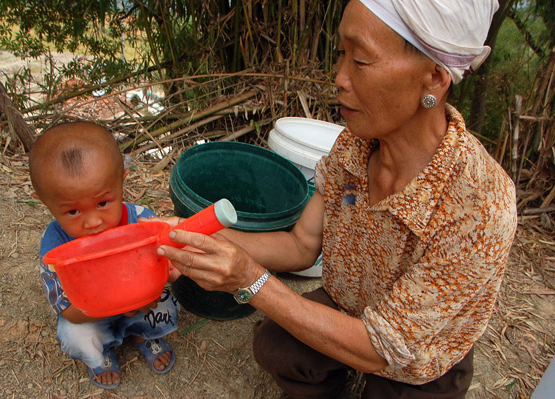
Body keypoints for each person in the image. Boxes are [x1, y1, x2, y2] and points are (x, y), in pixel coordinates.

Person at [152, 0, 518, 398]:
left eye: (361, 60)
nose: (340, 78)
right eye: (341, 54)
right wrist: (189, 237)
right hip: (351, 305)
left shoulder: (480, 204)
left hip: (411, 353)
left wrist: (249, 280)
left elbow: (383, 349)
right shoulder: (355, 146)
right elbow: (301, 244)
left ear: (434, 77)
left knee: (395, 376)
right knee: (276, 347)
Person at [29, 122, 180, 390]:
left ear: (122, 179)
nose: (92, 221)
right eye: (73, 211)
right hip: (87, 313)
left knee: (166, 302)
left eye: (102, 203)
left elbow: (165, 260)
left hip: (140, 300)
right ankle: (102, 353)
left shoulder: (141, 221)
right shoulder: (53, 249)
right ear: (45, 202)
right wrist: (112, 306)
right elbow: (67, 310)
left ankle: (142, 335)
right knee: (73, 334)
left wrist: (155, 285)